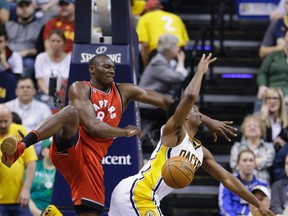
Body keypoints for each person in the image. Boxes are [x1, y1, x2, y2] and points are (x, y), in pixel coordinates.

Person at [0, 54, 238, 216]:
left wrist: (207, 120)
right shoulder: (80, 88)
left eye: (113, 66)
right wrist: (123, 131)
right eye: (106, 66)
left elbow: (171, 103)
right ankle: (21, 146)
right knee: (70, 112)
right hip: (73, 147)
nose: (112, 69)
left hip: (93, 161)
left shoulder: (125, 91)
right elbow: (93, 126)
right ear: (92, 69)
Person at [108, 54, 273, 216]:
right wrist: (200, 71)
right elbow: (190, 96)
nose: (199, 113)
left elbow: (228, 179)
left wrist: (257, 203)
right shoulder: (173, 132)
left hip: (138, 193)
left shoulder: (201, 153)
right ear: (185, 114)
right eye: (195, 110)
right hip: (140, 192)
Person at [138, 33, 188, 142]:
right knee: (179, 115)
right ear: (168, 49)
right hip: (148, 105)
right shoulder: (157, 62)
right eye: (176, 46)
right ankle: (169, 143)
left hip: (159, 103)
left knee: (182, 112)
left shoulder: (169, 62)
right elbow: (177, 78)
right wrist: (181, 61)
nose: (178, 49)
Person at [0, 104, 37, 215]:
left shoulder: (19, 130)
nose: (2, 125)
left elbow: (31, 162)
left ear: (11, 118)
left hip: (20, 200)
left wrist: (26, 189)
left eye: (6, 121)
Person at [5, 76, 52, 155]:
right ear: (16, 91)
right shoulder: (6, 108)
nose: (25, 90)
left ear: (34, 91)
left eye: (28, 87)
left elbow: (50, 130)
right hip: (12, 146)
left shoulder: (44, 108)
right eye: (22, 87)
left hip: (37, 148)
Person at [136, 0, 189, 68]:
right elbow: (186, 42)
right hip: (179, 51)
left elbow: (145, 45)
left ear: (146, 9)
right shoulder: (175, 17)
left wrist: (146, 65)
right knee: (180, 76)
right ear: (161, 7)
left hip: (160, 52)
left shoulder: (144, 18)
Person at [219, 149, 270, 216]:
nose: (248, 164)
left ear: (255, 164)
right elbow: (224, 207)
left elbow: (265, 207)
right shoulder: (229, 181)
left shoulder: (263, 184)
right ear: (238, 163)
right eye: (244, 160)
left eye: (251, 160)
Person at [229, 115, 275, 183]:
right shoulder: (237, 147)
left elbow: (268, 162)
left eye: (255, 126)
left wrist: (243, 163)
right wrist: (258, 161)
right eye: (249, 126)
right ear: (244, 130)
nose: (252, 127)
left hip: (262, 186)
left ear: (262, 130)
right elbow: (234, 165)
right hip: (240, 185)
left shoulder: (269, 147)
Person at [5, 0, 43, 77]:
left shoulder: (39, 27)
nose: (24, 9)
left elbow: (40, 49)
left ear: (33, 7)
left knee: (29, 64)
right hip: (8, 55)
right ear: (16, 9)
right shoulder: (8, 25)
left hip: (26, 57)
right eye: (21, 6)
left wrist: (26, 52)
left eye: (27, 5)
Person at [259, 88, 288, 182]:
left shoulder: (286, 120)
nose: (272, 101)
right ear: (265, 101)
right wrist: (263, 119)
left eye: (275, 98)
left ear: (280, 101)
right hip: (264, 161)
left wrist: (284, 144)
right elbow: (256, 140)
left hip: (282, 163)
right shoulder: (258, 118)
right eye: (269, 98)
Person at [35, 29, 71, 99]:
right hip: (42, 93)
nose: (55, 44)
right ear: (48, 42)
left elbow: (64, 81)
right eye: (53, 41)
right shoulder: (40, 57)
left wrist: (55, 94)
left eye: (58, 41)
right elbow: (40, 80)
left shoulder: (69, 59)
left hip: (62, 95)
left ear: (64, 43)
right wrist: (49, 93)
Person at [257, 30, 288, 102]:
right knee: (263, 97)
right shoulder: (274, 55)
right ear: (284, 39)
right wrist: (262, 85)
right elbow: (262, 73)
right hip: (272, 90)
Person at [28, 138, 56, 216]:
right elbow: (25, 192)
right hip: (32, 211)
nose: (53, 150)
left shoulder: (64, 170)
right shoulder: (33, 167)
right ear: (43, 151)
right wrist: (37, 213)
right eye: (49, 147)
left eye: (55, 147)